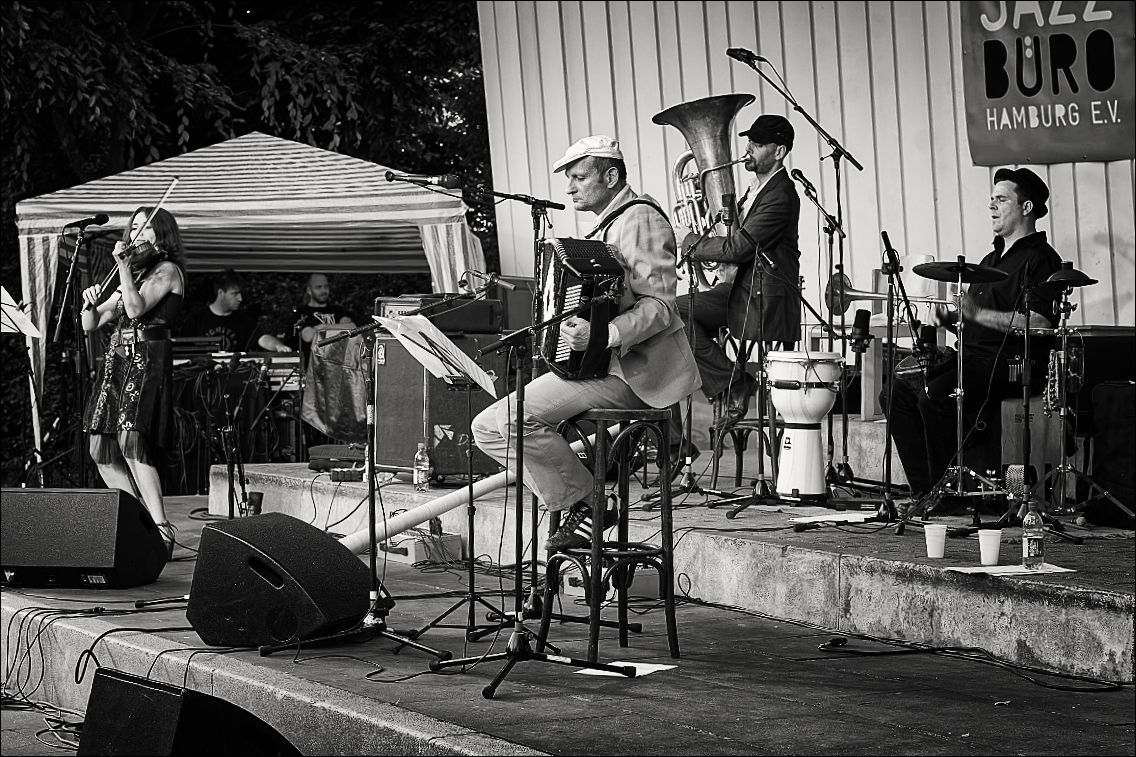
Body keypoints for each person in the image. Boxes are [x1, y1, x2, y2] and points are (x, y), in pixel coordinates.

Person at [472, 135, 701, 551]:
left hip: (632, 373)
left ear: (610, 176)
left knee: (496, 425)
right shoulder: (606, 224)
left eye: (579, 178)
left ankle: (590, 501)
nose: (569, 189)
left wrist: (602, 335)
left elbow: (661, 307)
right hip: (602, 367)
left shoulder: (639, 219)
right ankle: (579, 495)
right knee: (498, 424)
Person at [882, 167, 1062, 510]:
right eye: (991, 200)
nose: (992, 206)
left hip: (1011, 364)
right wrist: (951, 319)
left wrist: (975, 313)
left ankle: (948, 495)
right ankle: (927, 490)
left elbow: (1039, 321)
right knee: (895, 392)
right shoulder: (990, 261)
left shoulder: (1041, 259)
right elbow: (975, 323)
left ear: (1027, 208)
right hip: (972, 359)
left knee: (933, 396)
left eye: (1002, 199)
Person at [668, 114, 802, 457]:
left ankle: (734, 385)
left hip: (764, 299)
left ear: (779, 151)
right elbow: (732, 239)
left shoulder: (781, 194)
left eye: (757, 145)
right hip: (743, 288)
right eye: (749, 142)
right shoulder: (755, 189)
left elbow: (740, 248)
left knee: (677, 314)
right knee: (672, 314)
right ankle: (732, 383)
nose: (747, 150)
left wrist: (691, 242)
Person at [81, 207, 187, 557]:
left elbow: (136, 308)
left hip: (147, 359)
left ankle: (162, 530)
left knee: (131, 440)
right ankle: (137, 523)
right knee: (100, 445)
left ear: (162, 233)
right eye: (135, 226)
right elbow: (92, 324)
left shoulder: (166, 270)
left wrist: (124, 268)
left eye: (147, 226)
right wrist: (90, 303)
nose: (138, 232)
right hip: (118, 360)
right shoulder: (136, 272)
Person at [178, 269, 292, 353]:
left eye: (240, 293)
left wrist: (277, 345)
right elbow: (181, 349)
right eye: (235, 294)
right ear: (221, 293)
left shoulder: (243, 320)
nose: (240, 298)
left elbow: (261, 338)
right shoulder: (195, 320)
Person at [295, 273, 354, 357]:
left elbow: (352, 328)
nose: (324, 291)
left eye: (326, 287)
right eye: (319, 287)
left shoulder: (337, 310)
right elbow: (308, 336)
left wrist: (323, 327)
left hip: (338, 363)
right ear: (309, 290)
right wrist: (339, 327)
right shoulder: (303, 312)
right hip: (314, 365)